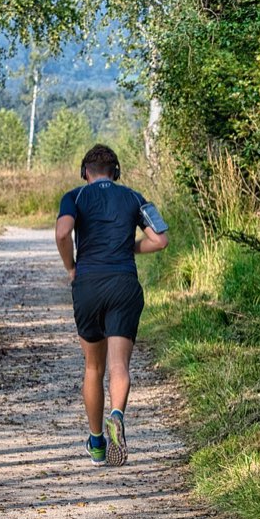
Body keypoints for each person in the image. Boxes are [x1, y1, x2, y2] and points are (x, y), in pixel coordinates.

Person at [55, 144, 168, 466]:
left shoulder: (74, 197)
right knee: (120, 366)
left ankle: (96, 443)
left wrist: (71, 267)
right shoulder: (133, 197)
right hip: (124, 284)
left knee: (93, 368)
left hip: (88, 285)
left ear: (84, 173)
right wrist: (128, 246)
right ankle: (117, 414)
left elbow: (63, 233)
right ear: (115, 172)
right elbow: (160, 240)